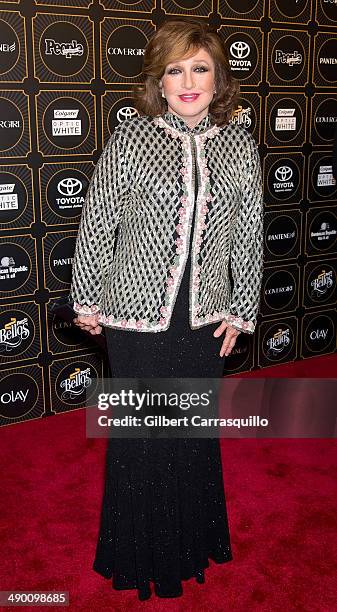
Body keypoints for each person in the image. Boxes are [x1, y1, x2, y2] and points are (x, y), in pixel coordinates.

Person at [69, 18, 264, 600]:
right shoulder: (132, 137)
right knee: (143, 438)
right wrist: (88, 295)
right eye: (174, 70)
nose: (187, 81)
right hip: (134, 314)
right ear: (158, 81)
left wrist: (243, 308)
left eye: (199, 68)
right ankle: (136, 555)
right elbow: (100, 217)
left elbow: (249, 232)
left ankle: (193, 542)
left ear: (217, 78)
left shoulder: (240, 142)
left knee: (191, 433)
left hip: (205, 315)